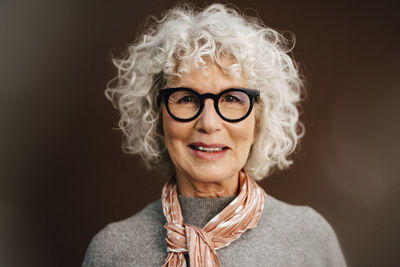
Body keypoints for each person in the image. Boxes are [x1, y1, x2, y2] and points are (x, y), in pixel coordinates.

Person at [83, 3, 346, 266]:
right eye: (186, 98)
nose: (209, 123)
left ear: (259, 119)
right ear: (157, 117)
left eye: (231, 98)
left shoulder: (308, 238)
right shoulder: (113, 251)